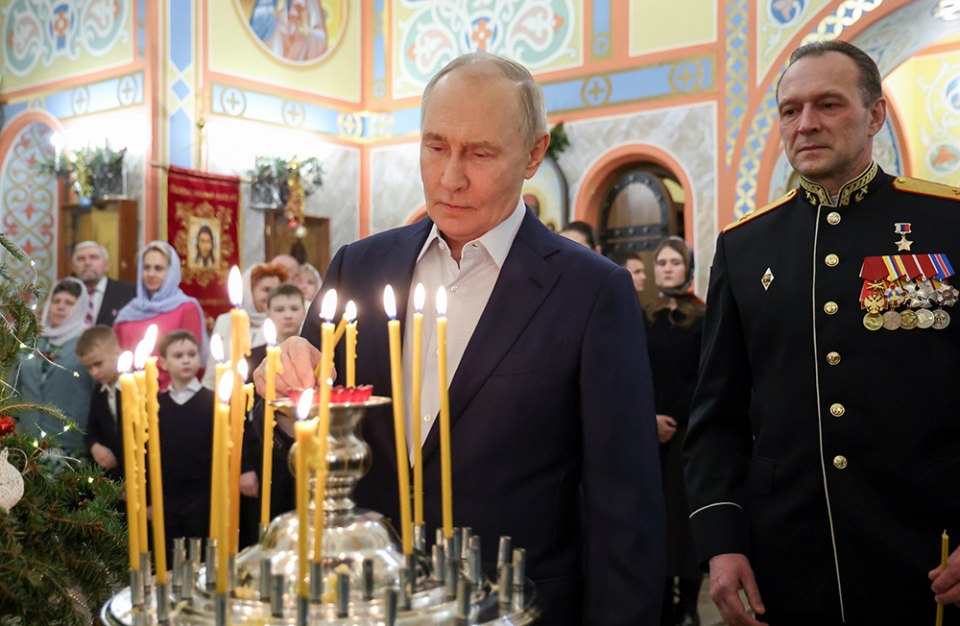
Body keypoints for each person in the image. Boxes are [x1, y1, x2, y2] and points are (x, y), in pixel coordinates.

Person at [255, 51, 666, 625]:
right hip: (361, 601)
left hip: (514, 605)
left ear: (534, 154)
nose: (451, 178)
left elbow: (625, 502)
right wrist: (284, 394)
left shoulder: (591, 291)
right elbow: (305, 439)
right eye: (436, 146)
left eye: (480, 153)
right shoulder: (359, 267)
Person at [684, 40, 960, 626]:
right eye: (790, 110)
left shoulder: (947, 223)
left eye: (828, 104)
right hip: (791, 561)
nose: (805, 123)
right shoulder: (744, 246)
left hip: (929, 558)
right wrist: (720, 539)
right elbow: (716, 418)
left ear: (875, 115)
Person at [643, 238, 705, 626]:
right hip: (648, 432)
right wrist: (649, 417)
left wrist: (679, 419)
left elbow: (706, 376)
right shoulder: (644, 316)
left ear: (688, 268)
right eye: (661, 262)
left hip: (687, 434)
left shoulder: (703, 315)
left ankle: (689, 605)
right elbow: (634, 372)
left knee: (685, 523)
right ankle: (663, 601)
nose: (667, 268)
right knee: (657, 520)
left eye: (675, 262)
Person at [240, 283, 307, 527]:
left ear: (304, 310)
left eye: (294, 308)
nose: (288, 315)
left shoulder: (314, 354)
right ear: (267, 313)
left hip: (308, 454)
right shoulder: (253, 357)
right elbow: (240, 414)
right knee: (268, 524)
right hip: (263, 454)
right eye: (280, 309)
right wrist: (245, 467)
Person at [15, 277, 96, 455]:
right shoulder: (31, 341)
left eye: (69, 303)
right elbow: (16, 386)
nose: (60, 307)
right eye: (56, 301)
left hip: (69, 444)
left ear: (80, 308)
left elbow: (97, 394)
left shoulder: (88, 343)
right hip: (28, 440)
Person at [113, 241, 207, 391]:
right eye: (146, 268)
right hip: (131, 391)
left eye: (158, 269)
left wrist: (164, 393)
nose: (151, 274)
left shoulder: (186, 308)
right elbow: (118, 356)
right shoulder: (129, 312)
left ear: (171, 272)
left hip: (171, 392)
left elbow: (190, 356)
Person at [156, 329, 214, 560]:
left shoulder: (212, 401)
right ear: (163, 362)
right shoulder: (156, 404)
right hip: (166, 493)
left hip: (202, 492)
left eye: (192, 354)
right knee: (170, 555)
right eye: (178, 356)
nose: (186, 360)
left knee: (200, 554)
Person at [202, 263, 289, 390]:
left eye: (276, 290)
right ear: (249, 291)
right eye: (266, 290)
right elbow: (212, 374)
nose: (272, 296)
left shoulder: (283, 322)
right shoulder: (225, 321)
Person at [77, 326, 125, 481]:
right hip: (113, 480)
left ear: (117, 352)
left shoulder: (140, 388)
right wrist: (95, 446)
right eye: (88, 367)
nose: (94, 373)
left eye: (98, 364)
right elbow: (92, 430)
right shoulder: (99, 392)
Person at [72, 241, 136, 327]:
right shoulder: (65, 294)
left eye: (94, 258)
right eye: (81, 259)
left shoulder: (129, 292)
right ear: (73, 267)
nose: (87, 263)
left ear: (107, 265)